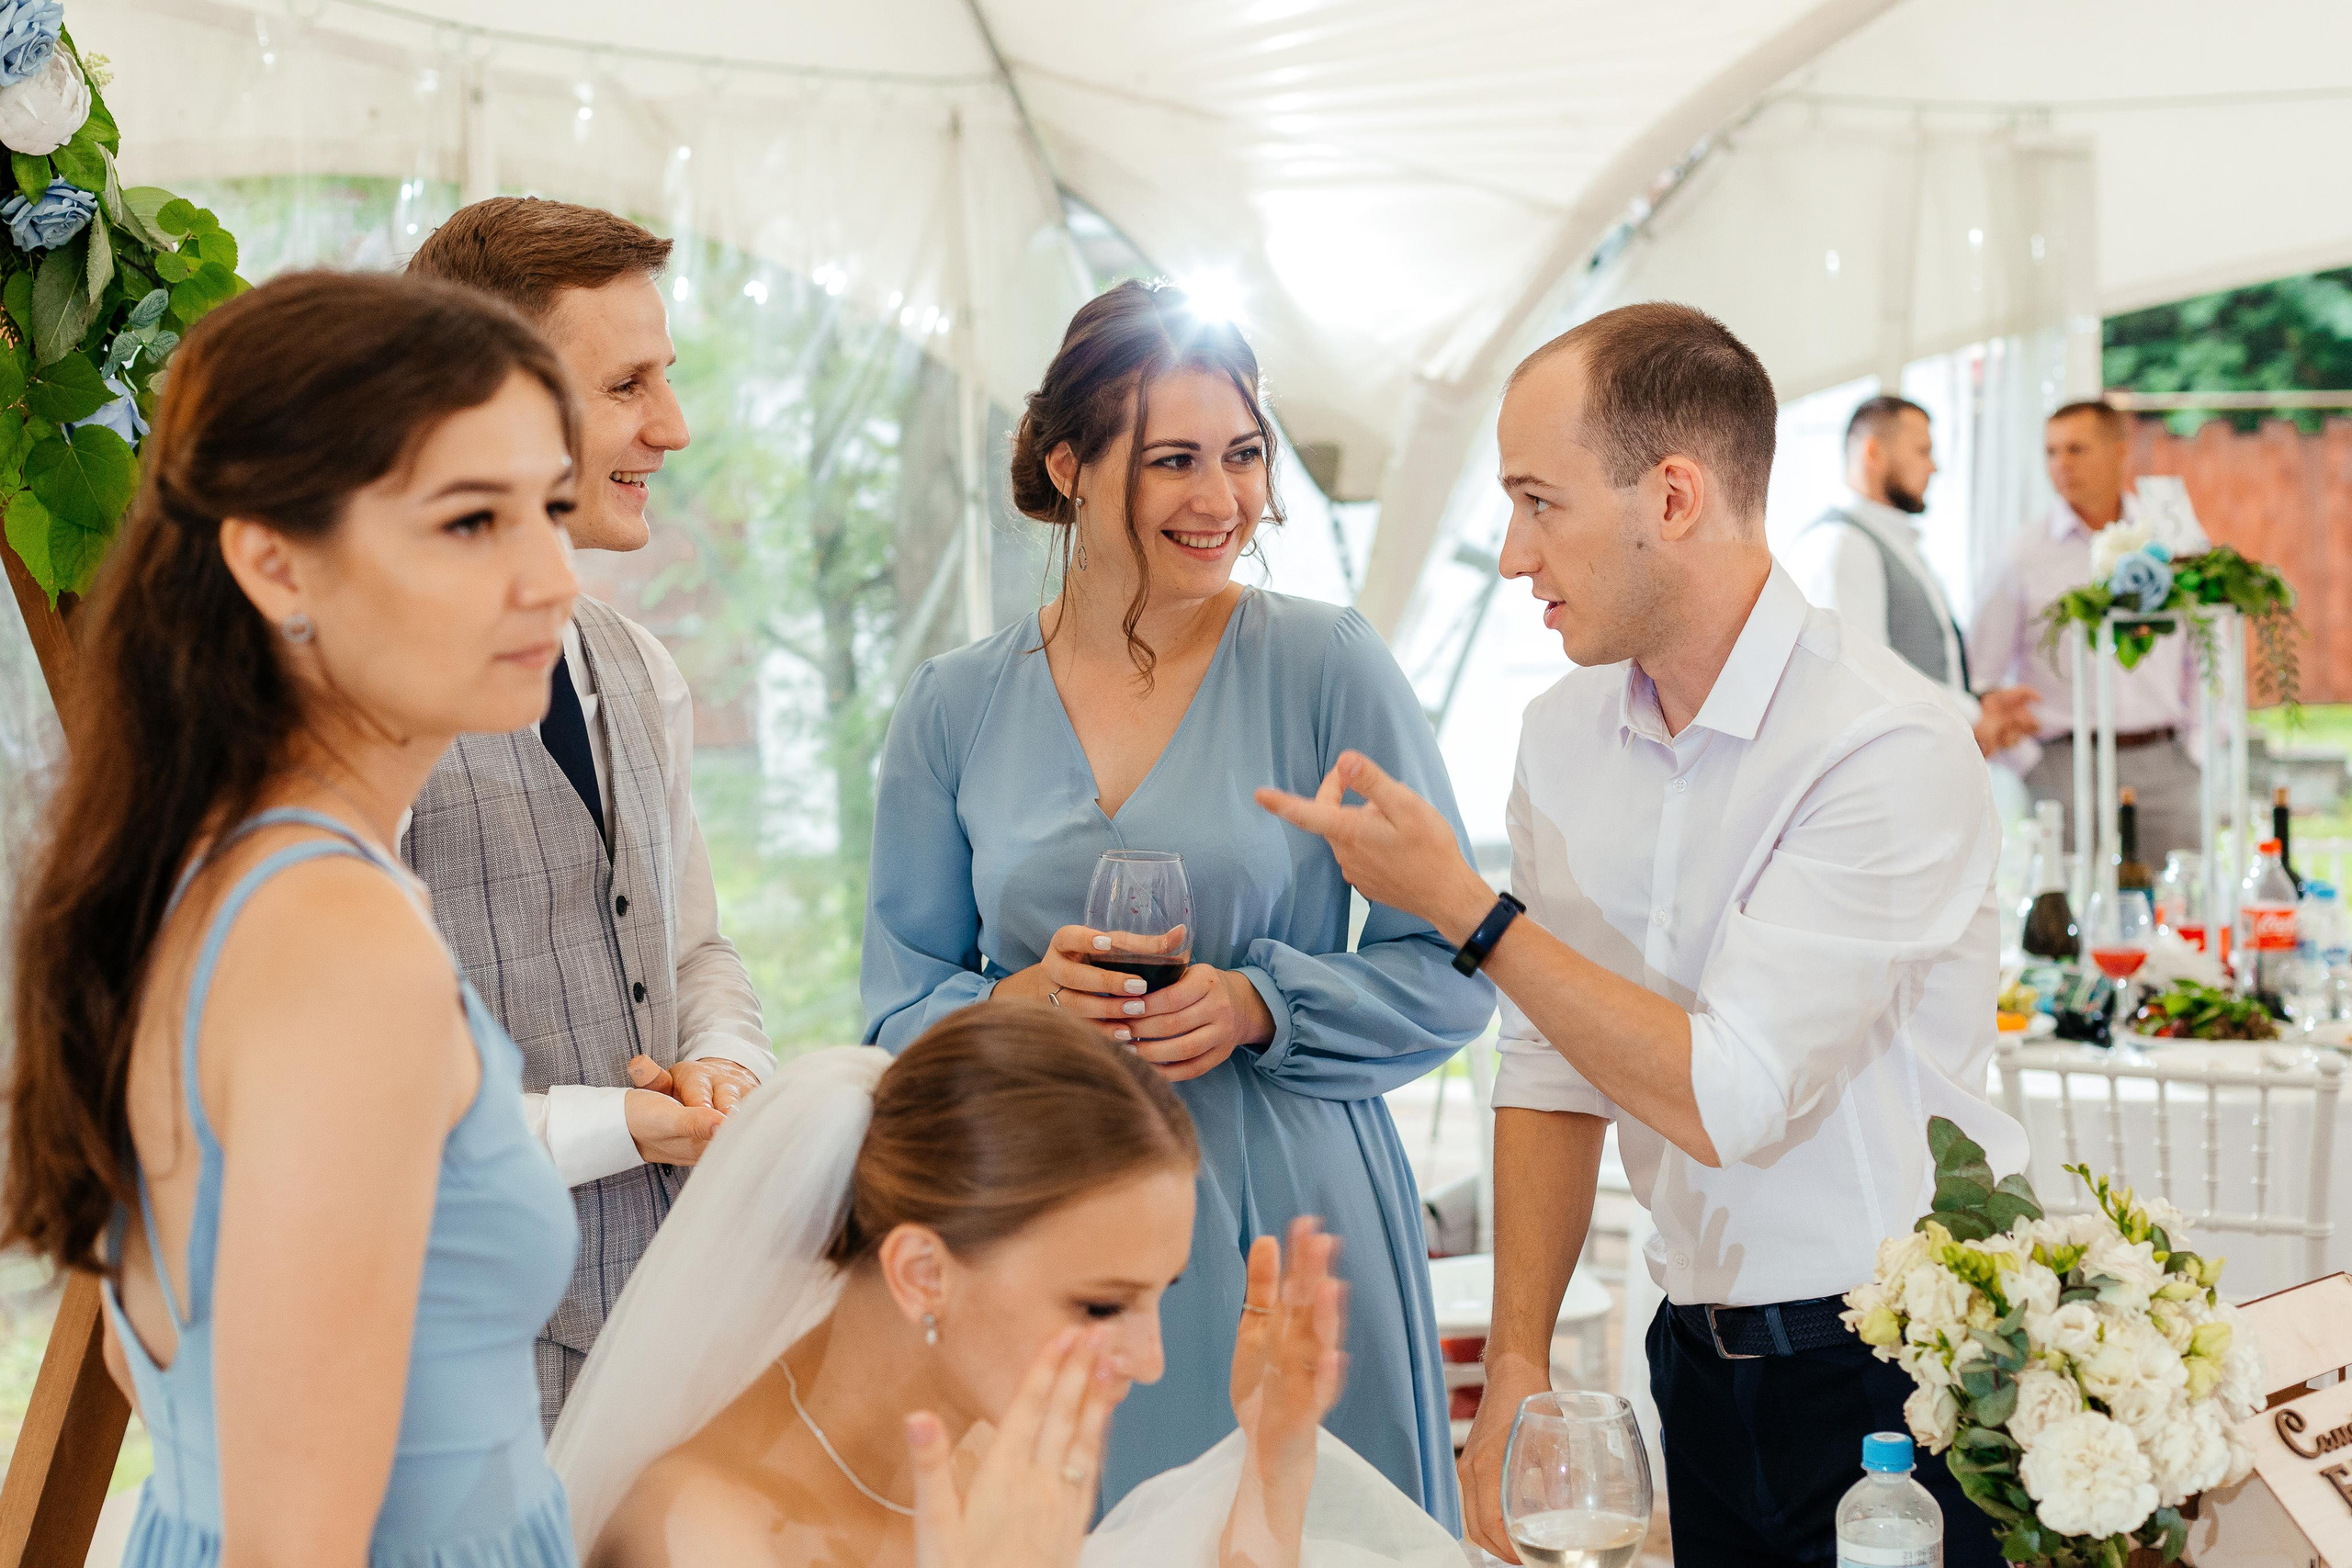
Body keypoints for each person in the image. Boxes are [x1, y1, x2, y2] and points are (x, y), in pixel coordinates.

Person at [1259, 303, 2028, 1567]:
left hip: (1903, 1374)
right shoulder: (1560, 734)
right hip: (1694, 1359)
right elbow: (1550, 1062)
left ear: (1672, 497)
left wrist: (1466, 909)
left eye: (1538, 502)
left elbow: (1733, 1096)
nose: (1514, 556)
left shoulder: (1883, 744)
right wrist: (1517, 1360)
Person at [859, 279, 1491, 1525]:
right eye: (1174, 461)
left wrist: (1262, 1004)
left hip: (1290, 1209)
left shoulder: (1327, 664)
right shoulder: (952, 706)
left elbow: (1454, 959)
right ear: (1071, 467)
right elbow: (892, 1016)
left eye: (1244, 455)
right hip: (1051, 1231)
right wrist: (1020, 1007)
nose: (1222, 499)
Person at [3, 271, 583, 1565]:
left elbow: (167, 1354)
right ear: (273, 561)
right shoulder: (339, 946)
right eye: (471, 521)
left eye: (552, 506)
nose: (553, 575)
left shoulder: (195, 868)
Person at [548, 1003, 1464, 1568]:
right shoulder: (704, 1537)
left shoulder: (987, 1445)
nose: (1148, 1362)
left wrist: (1274, 1461)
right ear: (921, 1273)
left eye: (1161, 1294)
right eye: (1101, 1305)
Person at [406, 197, 774, 1426]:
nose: (673, 426)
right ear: (490, 404)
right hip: (454, 1366)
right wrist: (620, 1123)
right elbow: (346, 1105)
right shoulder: (365, 702)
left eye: (665, 377)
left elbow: (692, 949)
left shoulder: (638, 665)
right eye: (628, 386)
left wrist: (723, 1068)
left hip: (664, 1338)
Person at [1968, 400, 2204, 859]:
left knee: (2178, 897)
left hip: (2165, 763)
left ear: (2119, 451)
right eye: (2051, 451)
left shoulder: (2173, 539)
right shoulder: (2020, 556)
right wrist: (2031, 765)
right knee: (2068, 899)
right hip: (2063, 766)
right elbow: (1982, 677)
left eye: (2076, 449)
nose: (2061, 464)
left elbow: (2208, 652)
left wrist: (2197, 752)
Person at [1787, 394, 2037, 756]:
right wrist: (1973, 715)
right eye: (1922, 451)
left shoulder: (1890, 539)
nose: (1934, 467)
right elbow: (1862, 672)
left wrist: (1980, 701)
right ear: (1874, 453)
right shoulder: (1843, 545)